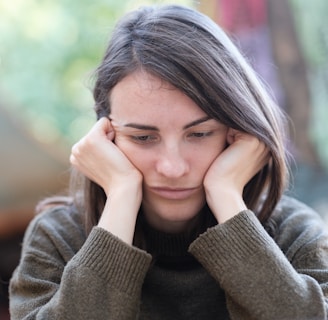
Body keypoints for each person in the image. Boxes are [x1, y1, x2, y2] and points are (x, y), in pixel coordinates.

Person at [9, 4, 328, 320]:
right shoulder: (59, 238)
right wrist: (121, 197)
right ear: (105, 135)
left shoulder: (293, 235)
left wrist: (226, 196)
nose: (173, 168)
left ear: (237, 132)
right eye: (143, 138)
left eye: (200, 133)